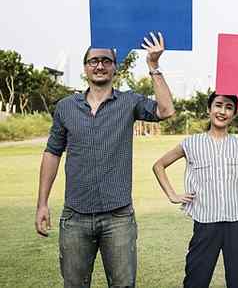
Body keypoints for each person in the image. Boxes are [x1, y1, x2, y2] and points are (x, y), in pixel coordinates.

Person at [35, 32, 176, 288]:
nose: (99, 65)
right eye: (93, 60)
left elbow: (166, 110)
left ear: (115, 67)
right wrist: (42, 204)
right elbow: (52, 153)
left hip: (118, 217)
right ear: (85, 67)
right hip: (75, 216)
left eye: (106, 61)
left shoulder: (129, 102)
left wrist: (154, 66)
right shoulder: (66, 107)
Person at [152, 90, 238, 288]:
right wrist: (172, 195)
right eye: (219, 105)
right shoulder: (191, 143)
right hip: (205, 225)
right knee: (196, 281)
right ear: (209, 109)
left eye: (229, 107)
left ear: (234, 114)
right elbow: (159, 165)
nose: (223, 111)